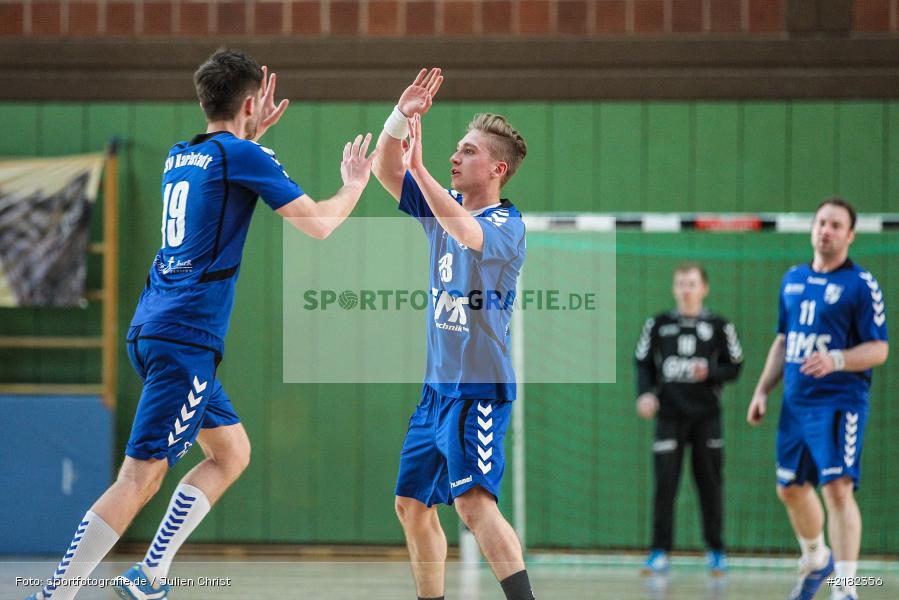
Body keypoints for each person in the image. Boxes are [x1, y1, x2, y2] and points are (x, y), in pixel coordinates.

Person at [25, 49, 377, 600]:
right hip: (187, 336)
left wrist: (249, 132)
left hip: (156, 326)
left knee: (231, 452)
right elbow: (320, 224)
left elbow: (227, 162)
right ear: (251, 101)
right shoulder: (242, 155)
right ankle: (56, 592)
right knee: (138, 478)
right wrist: (354, 182)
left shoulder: (182, 154)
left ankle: (151, 573)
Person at [371, 69, 535, 600]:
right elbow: (384, 169)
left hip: (478, 391)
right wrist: (401, 116)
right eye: (456, 150)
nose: (454, 157)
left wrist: (419, 168)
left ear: (497, 167)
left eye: (467, 151)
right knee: (411, 505)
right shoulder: (445, 209)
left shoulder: (507, 226)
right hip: (434, 393)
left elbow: (468, 234)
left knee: (473, 504)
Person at [747, 198, 888, 600]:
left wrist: (837, 358)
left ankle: (845, 588)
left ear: (850, 235)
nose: (826, 230)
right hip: (795, 405)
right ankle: (816, 558)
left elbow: (879, 349)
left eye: (836, 225)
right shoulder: (792, 279)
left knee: (837, 488)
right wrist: (762, 390)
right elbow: (782, 340)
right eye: (821, 222)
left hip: (839, 401)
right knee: (789, 488)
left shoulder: (860, 285)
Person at [635, 263, 743, 576]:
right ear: (674, 288)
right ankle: (659, 551)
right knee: (665, 484)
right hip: (669, 415)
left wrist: (711, 371)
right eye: (681, 283)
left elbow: (735, 366)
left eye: (692, 283)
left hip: (707, 416)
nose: (686, 289)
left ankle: (716, 550)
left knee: (710, 483)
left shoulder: (720, 326)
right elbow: (642, 363)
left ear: (704, 288)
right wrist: (645, 394)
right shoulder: (657, 324)